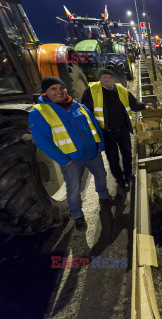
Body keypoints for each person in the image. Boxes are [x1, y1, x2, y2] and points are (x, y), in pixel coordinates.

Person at [29, 76, 115, 231]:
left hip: (92, 153)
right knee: (74, 189)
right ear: (45, 92)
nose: (59, 92)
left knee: (101, 175)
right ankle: (77, 215)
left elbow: (93, 124)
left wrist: (100, 143)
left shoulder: (77, 105)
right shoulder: (39, 113)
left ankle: (105, 197)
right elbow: (43, 142)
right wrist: (63, 160)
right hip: (71, 160)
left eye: (61, 88)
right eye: (53, 89)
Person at [81, 69, 153, 188]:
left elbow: (133, 103)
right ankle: (120, 180)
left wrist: (144, 106)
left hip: (123, 129)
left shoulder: (121, 89)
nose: (108, 80)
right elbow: (85, 111)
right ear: (100, 79)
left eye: (110, 78)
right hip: (107, 132)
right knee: (113, 158)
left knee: (127, 153)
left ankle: (128, 174)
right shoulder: (91, 91)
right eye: (105, 78)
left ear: (114, 79)